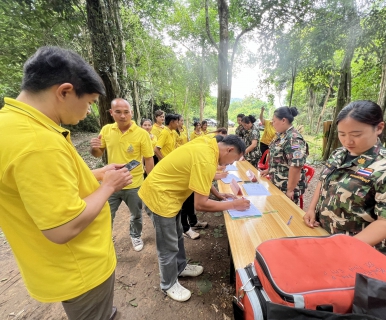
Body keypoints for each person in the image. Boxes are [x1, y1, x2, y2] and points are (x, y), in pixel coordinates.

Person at [0, 46, 132, 320]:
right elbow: (62, 227)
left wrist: (96, 175)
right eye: (90, 102)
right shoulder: (39, 144)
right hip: (79, 268)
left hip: (53, 264)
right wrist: (108, 186)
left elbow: (43, 184)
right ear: (64, 91)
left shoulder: (12, 125)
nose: (89, 112)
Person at [138, 135, 250, 302]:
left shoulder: (209, 144)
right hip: (160, 197)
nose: (230, 164)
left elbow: (202, 175)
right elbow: (201, 204)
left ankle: (180, 267)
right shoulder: (206, 158)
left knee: (177, 235)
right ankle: (168, 284)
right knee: (168, 246)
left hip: (171, 196)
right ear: (229, 150)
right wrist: (234, 205)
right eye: (233, 160)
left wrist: (218, 194)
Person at [303, 100, 386, 254]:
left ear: (379, 128)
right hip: (324, 237)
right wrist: (311, 209)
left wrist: (345, 247)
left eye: (356, 134)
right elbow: (323, 182)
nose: (347, 141)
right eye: (342, 134)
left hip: (359, 251)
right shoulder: (339, 154)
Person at [90, 99, 154, 252]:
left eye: (126, 112)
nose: (123, 116)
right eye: (118, 112)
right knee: (105, 214)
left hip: (134, 183)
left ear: (131, 113)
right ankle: (105, 241)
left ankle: (135, 235)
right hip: (110, 183)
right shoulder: (106, 130)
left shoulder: (141, 134)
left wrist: (150, 182)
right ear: (111, 113)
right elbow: (98, 154)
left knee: (136, 214)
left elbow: (148, 158)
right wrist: (94, 148)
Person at [260, 107, 308, 204]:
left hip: (286, 186)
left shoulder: (294, 139)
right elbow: (280, 158)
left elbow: (296, 166)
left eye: (274, 121)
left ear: (283, 120)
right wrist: (269, 170)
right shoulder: (282, 135)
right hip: (278, 183)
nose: (272, 124)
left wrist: (290, 190)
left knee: (284, 215)